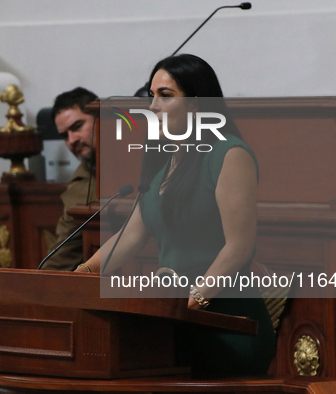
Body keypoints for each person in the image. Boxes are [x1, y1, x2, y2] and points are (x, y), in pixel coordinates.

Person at [75, 54, 275, 377]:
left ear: (195, 104)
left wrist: (192, 301)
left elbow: (239, 247)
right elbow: (130, 236)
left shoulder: (229, 154)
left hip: (226, 323)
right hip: (176, 322)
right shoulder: (165, 163)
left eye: (165, 96)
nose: (153, 106)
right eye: (151, 95)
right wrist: (80, 275)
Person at [41, 87, 98, 271]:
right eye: (65, 135)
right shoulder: (82, 179)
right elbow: (64, 252)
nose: (72, 140)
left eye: (77, 126)